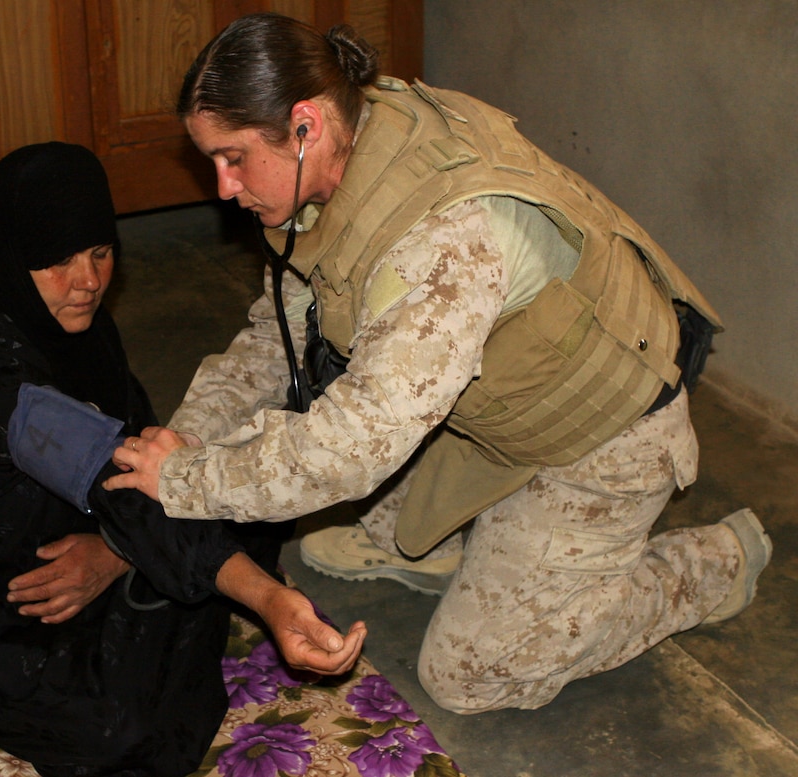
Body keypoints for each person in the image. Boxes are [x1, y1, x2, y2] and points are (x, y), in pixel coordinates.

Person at [103, 13, 772, 714]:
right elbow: (279, 331)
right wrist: (188, 434)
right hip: (492, 396)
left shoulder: (440, 240)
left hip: (603, 433)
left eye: (233, 157)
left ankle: (707, 567)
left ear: (304, 125)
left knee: (471, 672)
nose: (222, 187)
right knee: (351, 502)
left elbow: (352, 449)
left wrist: (186, 479)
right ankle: (444, 541)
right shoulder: (346, 138)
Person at [0, 141, 365, 777]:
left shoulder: (77, 323)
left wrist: (113, 551)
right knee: (118, 732)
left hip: (68, 533)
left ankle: (163, 569)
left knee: (228, 491)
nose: (89, 281)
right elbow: (106, 468)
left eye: (99, 252)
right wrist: (264, 598)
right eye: (57, 261)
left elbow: (139, 457)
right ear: (11, 261)